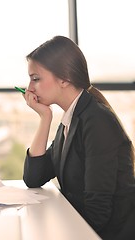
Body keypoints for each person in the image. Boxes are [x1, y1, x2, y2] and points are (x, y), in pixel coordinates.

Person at [22, 35, 135, 239]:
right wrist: (45, 117)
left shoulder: (96, 121)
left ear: (64, 78)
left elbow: (97, 214)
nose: (29, 88)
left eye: (35, 78)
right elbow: (34, 177)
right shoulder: (72, 119)